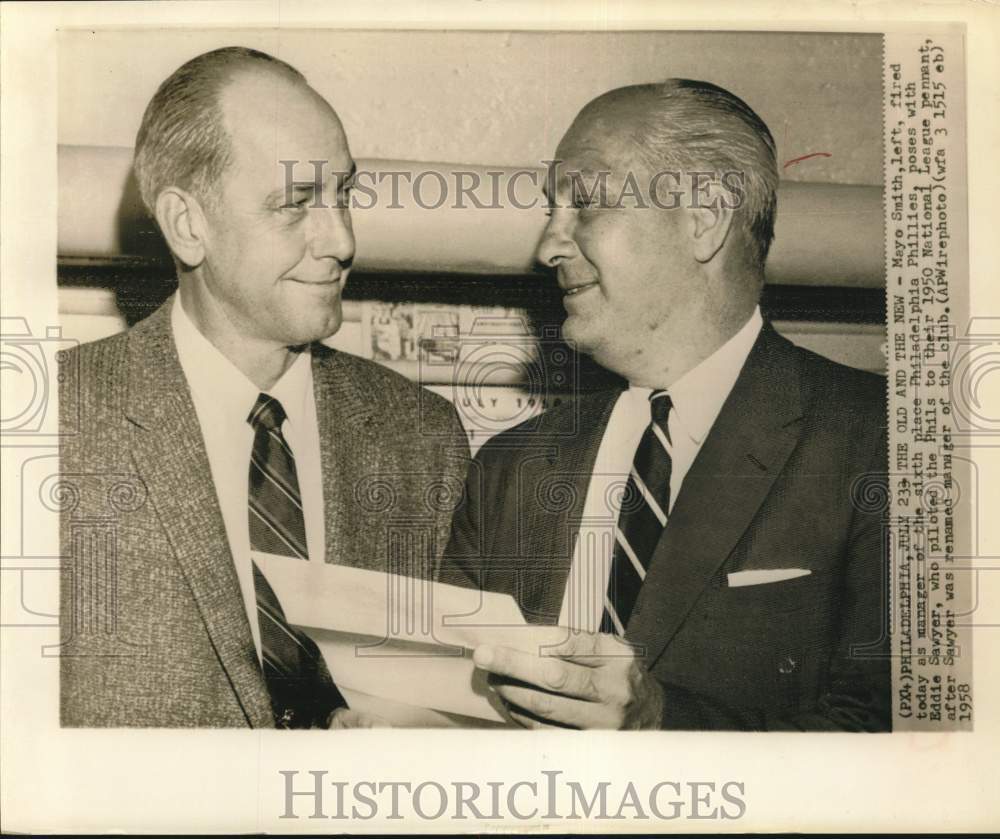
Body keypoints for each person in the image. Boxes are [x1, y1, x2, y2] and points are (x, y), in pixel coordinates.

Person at [440, 80, 890, 731]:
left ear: (704, 218)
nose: (549, 246)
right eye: (551, 211)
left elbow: (902, 752)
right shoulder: (508, 468)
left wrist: (659, 725)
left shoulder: (883, 441)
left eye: (585, 204)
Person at [58, 47, 467, 728]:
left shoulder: (422, 437)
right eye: (296, 203)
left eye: (343, 197)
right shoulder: (51, 424)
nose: (339, 239)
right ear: (189, 225)